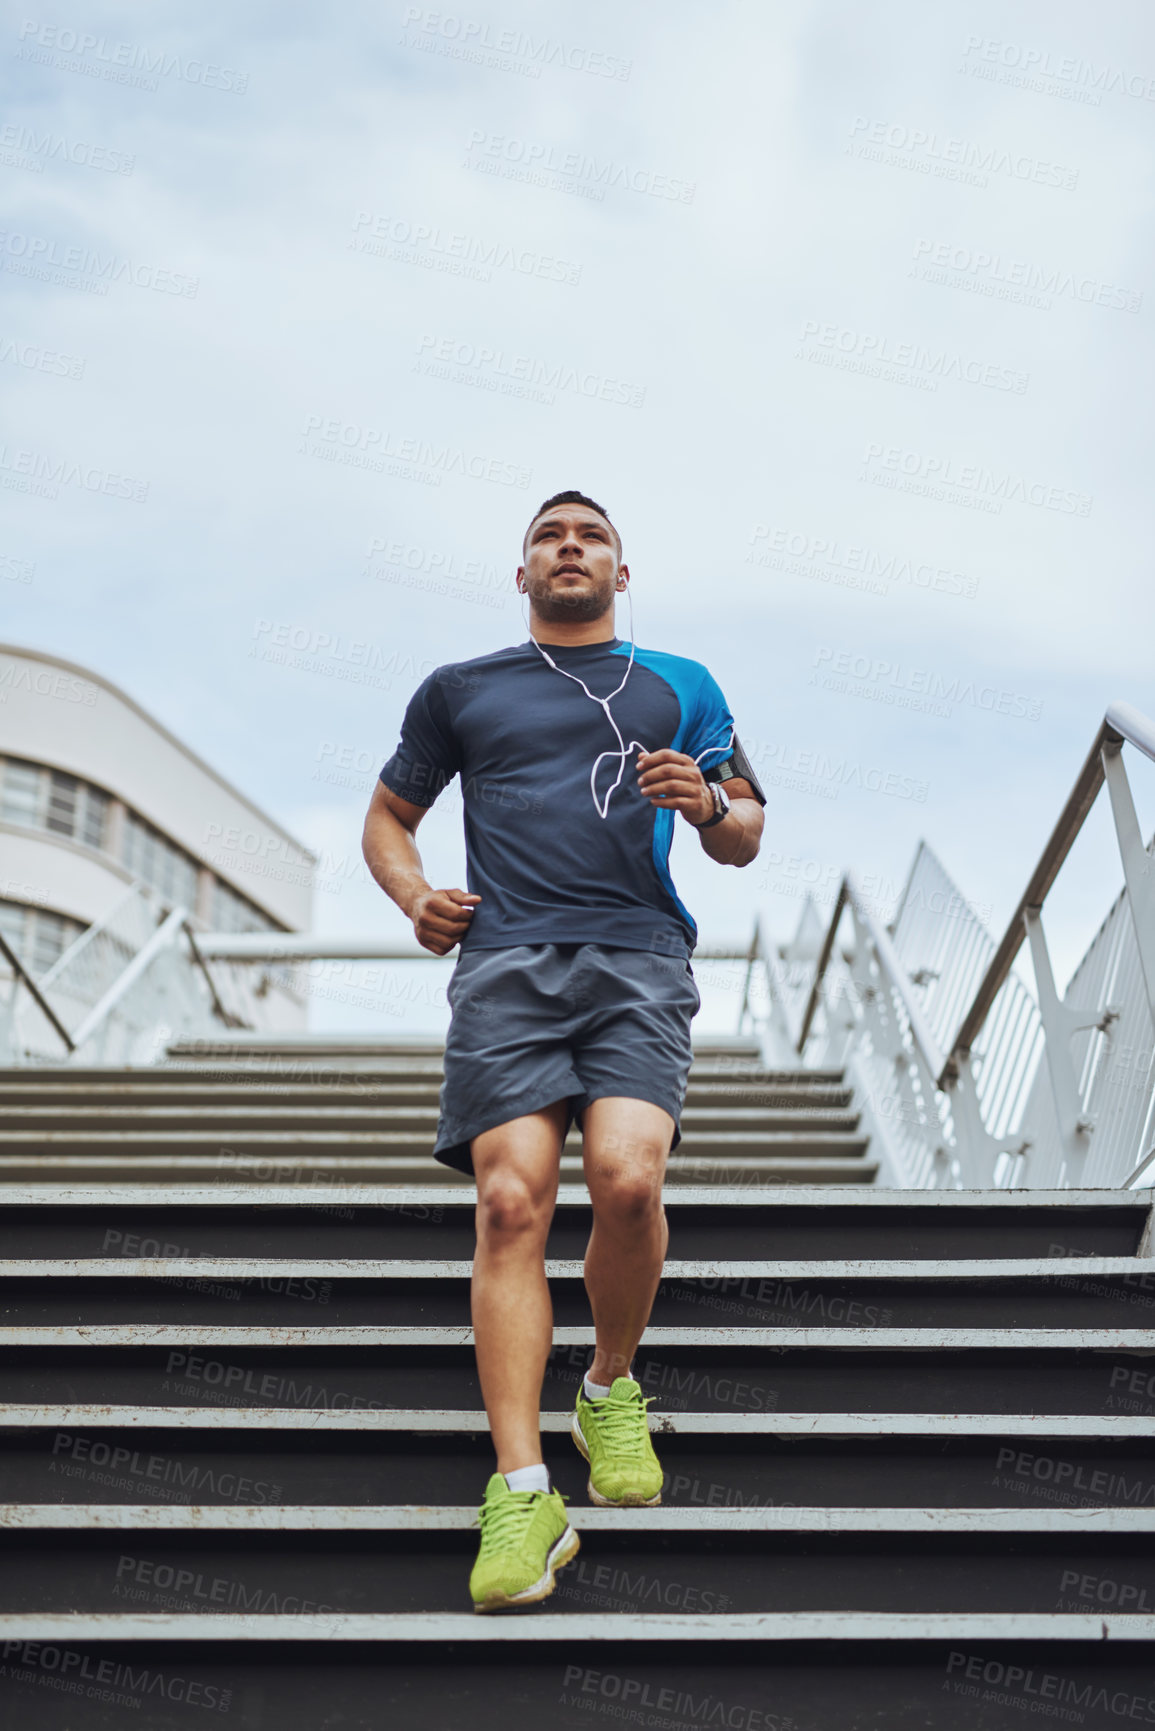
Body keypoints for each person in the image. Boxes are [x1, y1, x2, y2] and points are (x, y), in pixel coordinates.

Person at [361, 490, 766, 1612]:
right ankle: (525, 1489)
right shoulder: (462, 690)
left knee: (628, 1180)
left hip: (638, 958)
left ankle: (607, 1385)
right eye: (550, 536)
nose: (570, 547)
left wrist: (706, 806)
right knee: (508, 1205)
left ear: (621, 573)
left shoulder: (682, 684)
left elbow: (745, 831)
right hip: (506, 967)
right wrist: (416, 898)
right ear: (524, 570)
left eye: (591, 537)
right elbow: (387, 819)